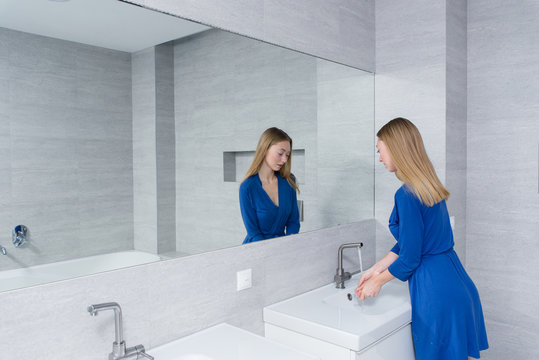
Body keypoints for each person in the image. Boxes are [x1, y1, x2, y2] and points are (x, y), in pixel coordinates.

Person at [355, 118, 488, 359]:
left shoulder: (405, 194)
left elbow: (410, 257)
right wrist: (376, 268)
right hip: (457, 282)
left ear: (396, 148)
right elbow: (413, 241)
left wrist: (378, 282)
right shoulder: (428, 185)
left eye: (380, 150)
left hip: (434, 288)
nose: (380, 158)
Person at [239, 127, 300, 244]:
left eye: (287, 155)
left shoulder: (289, 181)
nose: (284, 160)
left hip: (283, 249)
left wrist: (287, 245)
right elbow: (253, 232)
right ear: (265, 149)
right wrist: (271, 253)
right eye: (280, 153)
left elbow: (293, 222)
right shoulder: (247, 187)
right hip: (256, 250)